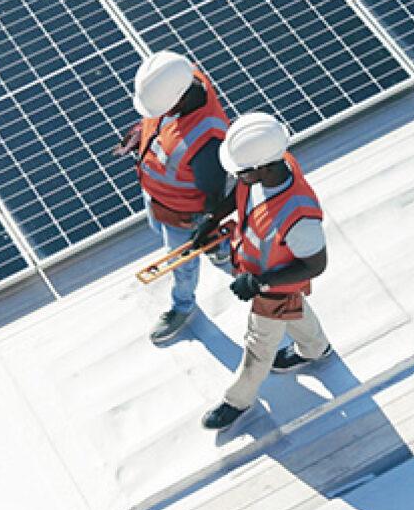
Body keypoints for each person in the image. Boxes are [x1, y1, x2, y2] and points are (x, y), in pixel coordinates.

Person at [191, 112, 332, 430]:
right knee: (294, 309)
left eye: (241, 172)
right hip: (259, 272)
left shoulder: (299, 217)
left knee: (258, 346)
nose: (237, 176)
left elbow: (315, 265)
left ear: (263, 167)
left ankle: (237, 400)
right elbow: (241, 194)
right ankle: (315, 349)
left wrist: (260, 283)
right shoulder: (267, 168)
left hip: (272, 285)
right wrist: (213, 221)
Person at [114, 50, 230, 343]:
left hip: (183, 217)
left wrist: (205, 225)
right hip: (157, 199)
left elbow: (214, 195)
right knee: (159, 230)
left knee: (181, 265)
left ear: (178, 98)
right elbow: (160, 124)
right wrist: (140, 133)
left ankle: (183, 306)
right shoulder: (175, 80)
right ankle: (220, 247)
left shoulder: (207, 143)